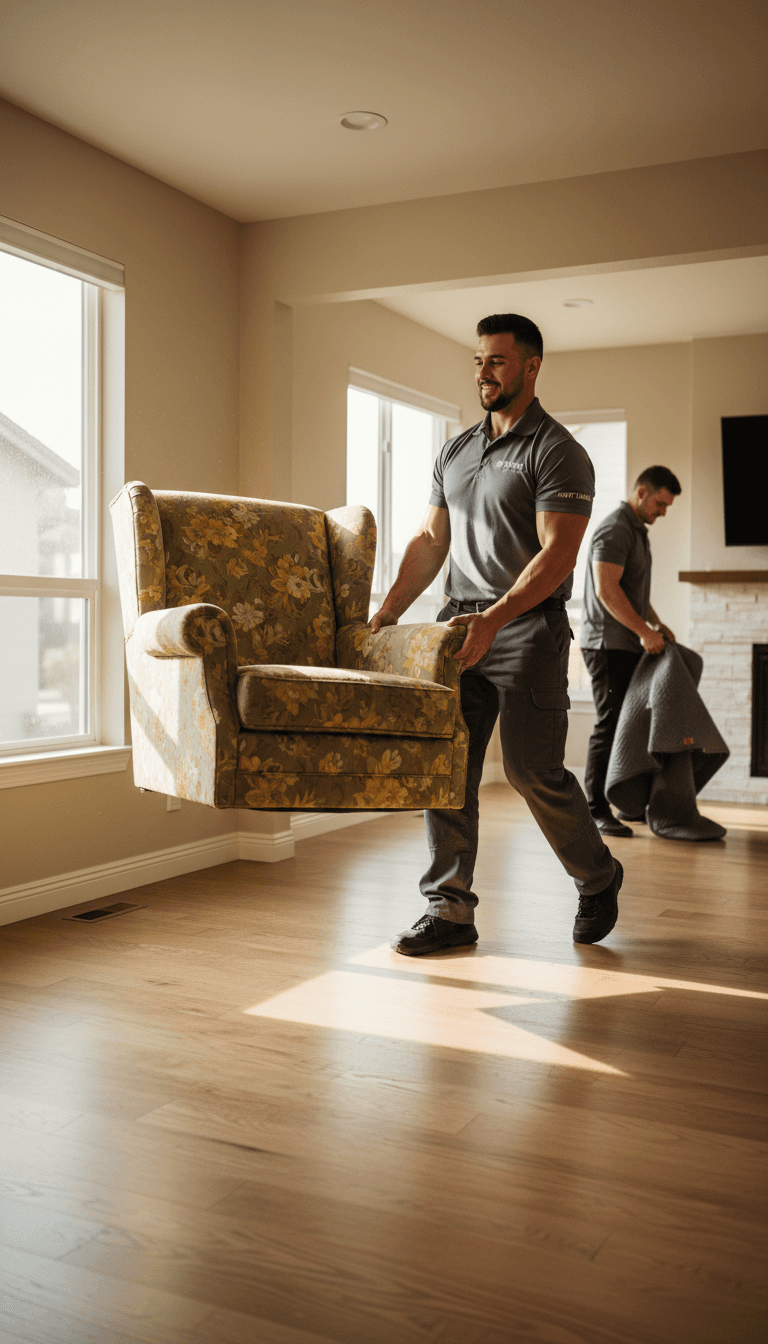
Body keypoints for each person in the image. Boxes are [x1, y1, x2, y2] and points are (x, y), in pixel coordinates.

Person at [369, 313, 623, 956]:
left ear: (532, 367)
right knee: (446, 765)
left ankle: (597, 876)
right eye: (479, 360)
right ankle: (449, 909)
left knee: (531, 769)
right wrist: (390, 611)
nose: (484, 371)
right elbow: (431, 541)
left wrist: (495, 619)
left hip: (526, 627)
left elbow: (559, 554)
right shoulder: (456, 450)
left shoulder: (557, 450)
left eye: (498, 361)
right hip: (458, 623)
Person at [580, 466, 682, 837]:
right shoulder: (615, 528)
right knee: (609, 724)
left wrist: (654, 623)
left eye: (666, 506)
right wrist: (643, 631)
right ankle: (594, 809)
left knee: (627, 725)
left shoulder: (637, 530)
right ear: (641, 492)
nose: (662, 512)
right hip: (607, 644)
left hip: (627, 641)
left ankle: (619, 801)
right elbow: (607, 589)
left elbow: (631, 588)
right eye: (659, 503)